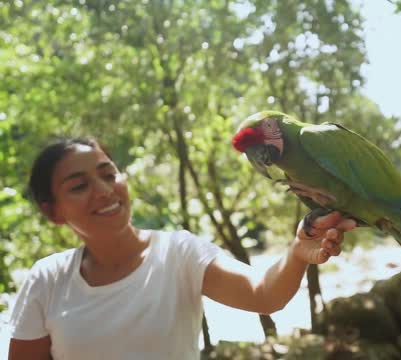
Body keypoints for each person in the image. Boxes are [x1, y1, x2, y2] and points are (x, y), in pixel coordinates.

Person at [8, 137, 356, 360]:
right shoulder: (48, 279)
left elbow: (262, 293)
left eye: (108, 174)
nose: (104, 191)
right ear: (52, 211)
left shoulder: (178, 253)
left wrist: (296, 253)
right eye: (79, 185)